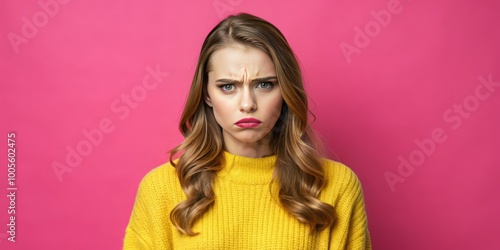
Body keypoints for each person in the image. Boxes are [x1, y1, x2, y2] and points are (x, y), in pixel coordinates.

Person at [124, 13, 371, 249]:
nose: (247, 104)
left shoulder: (336, 186)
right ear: (207, 95)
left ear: (285, 91)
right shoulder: (161, 189)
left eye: (264, 84)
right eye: (228, 86)